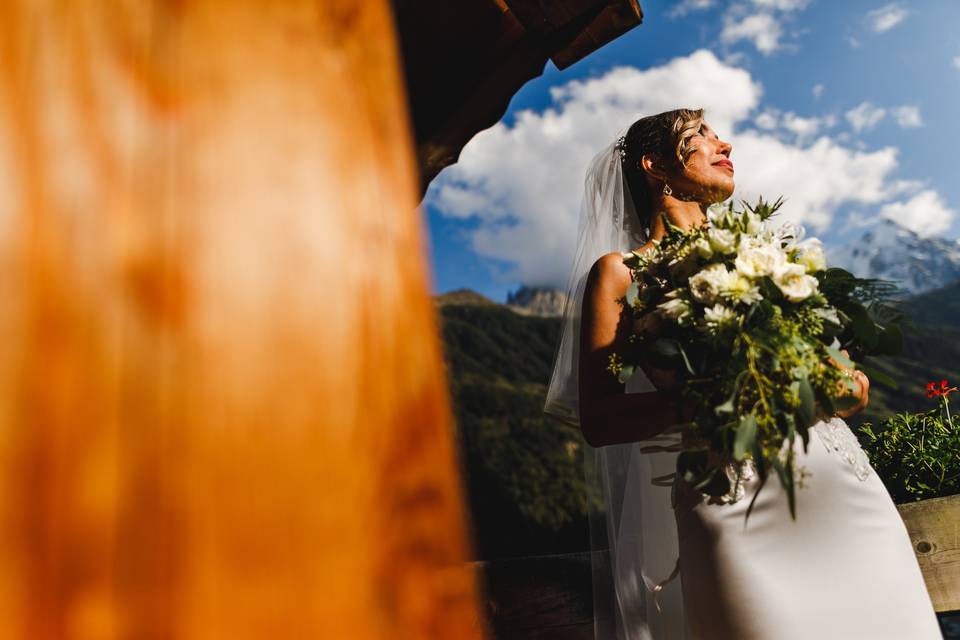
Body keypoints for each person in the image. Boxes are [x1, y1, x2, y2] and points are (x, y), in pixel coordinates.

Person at [544, 108, 942, 639]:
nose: (723, 142)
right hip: (730, 494)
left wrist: (826, 383)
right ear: (655, 164)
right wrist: (719, 398)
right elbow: (600, 420)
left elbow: (852, 388)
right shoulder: (621, 274)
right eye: (700, 136)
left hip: (838, 485)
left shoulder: (770, 257)